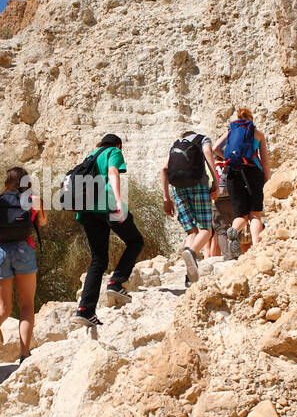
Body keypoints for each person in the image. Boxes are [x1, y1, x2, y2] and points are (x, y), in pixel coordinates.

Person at [0, 165, 48, 368]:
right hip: (24, 250)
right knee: (26, 306)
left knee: (2, 308)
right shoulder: (34, 200)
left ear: (7, 182)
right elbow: (42, 223)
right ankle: (24, 353)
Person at [73, 134, 144, 327]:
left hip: (86, 210)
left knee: (98, 259)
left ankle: (85, 310)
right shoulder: (114, 151)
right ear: (118, 145)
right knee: (136, 241)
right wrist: (119, 202)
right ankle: (116, 282)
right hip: (107, 205)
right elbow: (113, 172)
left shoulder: (91, 155)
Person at [161, 130, 220, 285]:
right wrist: (215, 179)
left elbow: (164, 169)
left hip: (178, 189)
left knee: (191, 231)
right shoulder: (202, 139)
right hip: (198, 185)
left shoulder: (175, 145)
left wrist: (166, 198)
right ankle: (191, 252)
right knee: (206, 230)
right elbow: (207, 151)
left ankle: (190, 277)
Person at [215, 109, 270, 248]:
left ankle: (233, 231)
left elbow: (215, 147)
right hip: (253, 173)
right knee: (255, 215)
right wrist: (268, 182)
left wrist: (228, 159)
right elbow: (265, 161)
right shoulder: (258, 134)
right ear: (251, 119)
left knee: (241, 216)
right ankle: (257, 248)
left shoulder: (231, 131)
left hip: (233, 174)